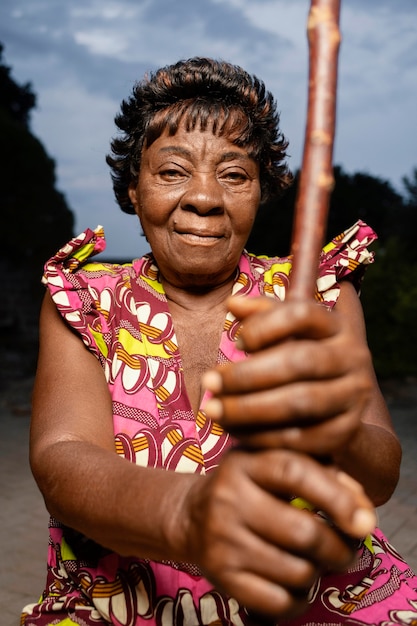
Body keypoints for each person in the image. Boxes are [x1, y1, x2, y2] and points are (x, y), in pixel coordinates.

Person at [22, 58, 417, 626]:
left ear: (261, 192)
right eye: (173, 171)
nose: (204, 197)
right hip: (122, 603)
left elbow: (381, 476)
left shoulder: (315, 295)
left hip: (320, 598)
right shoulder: (86, 298)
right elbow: (61, 462)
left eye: (234, 174)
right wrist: (190, 512)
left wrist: (340, 430)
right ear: (133, 188)